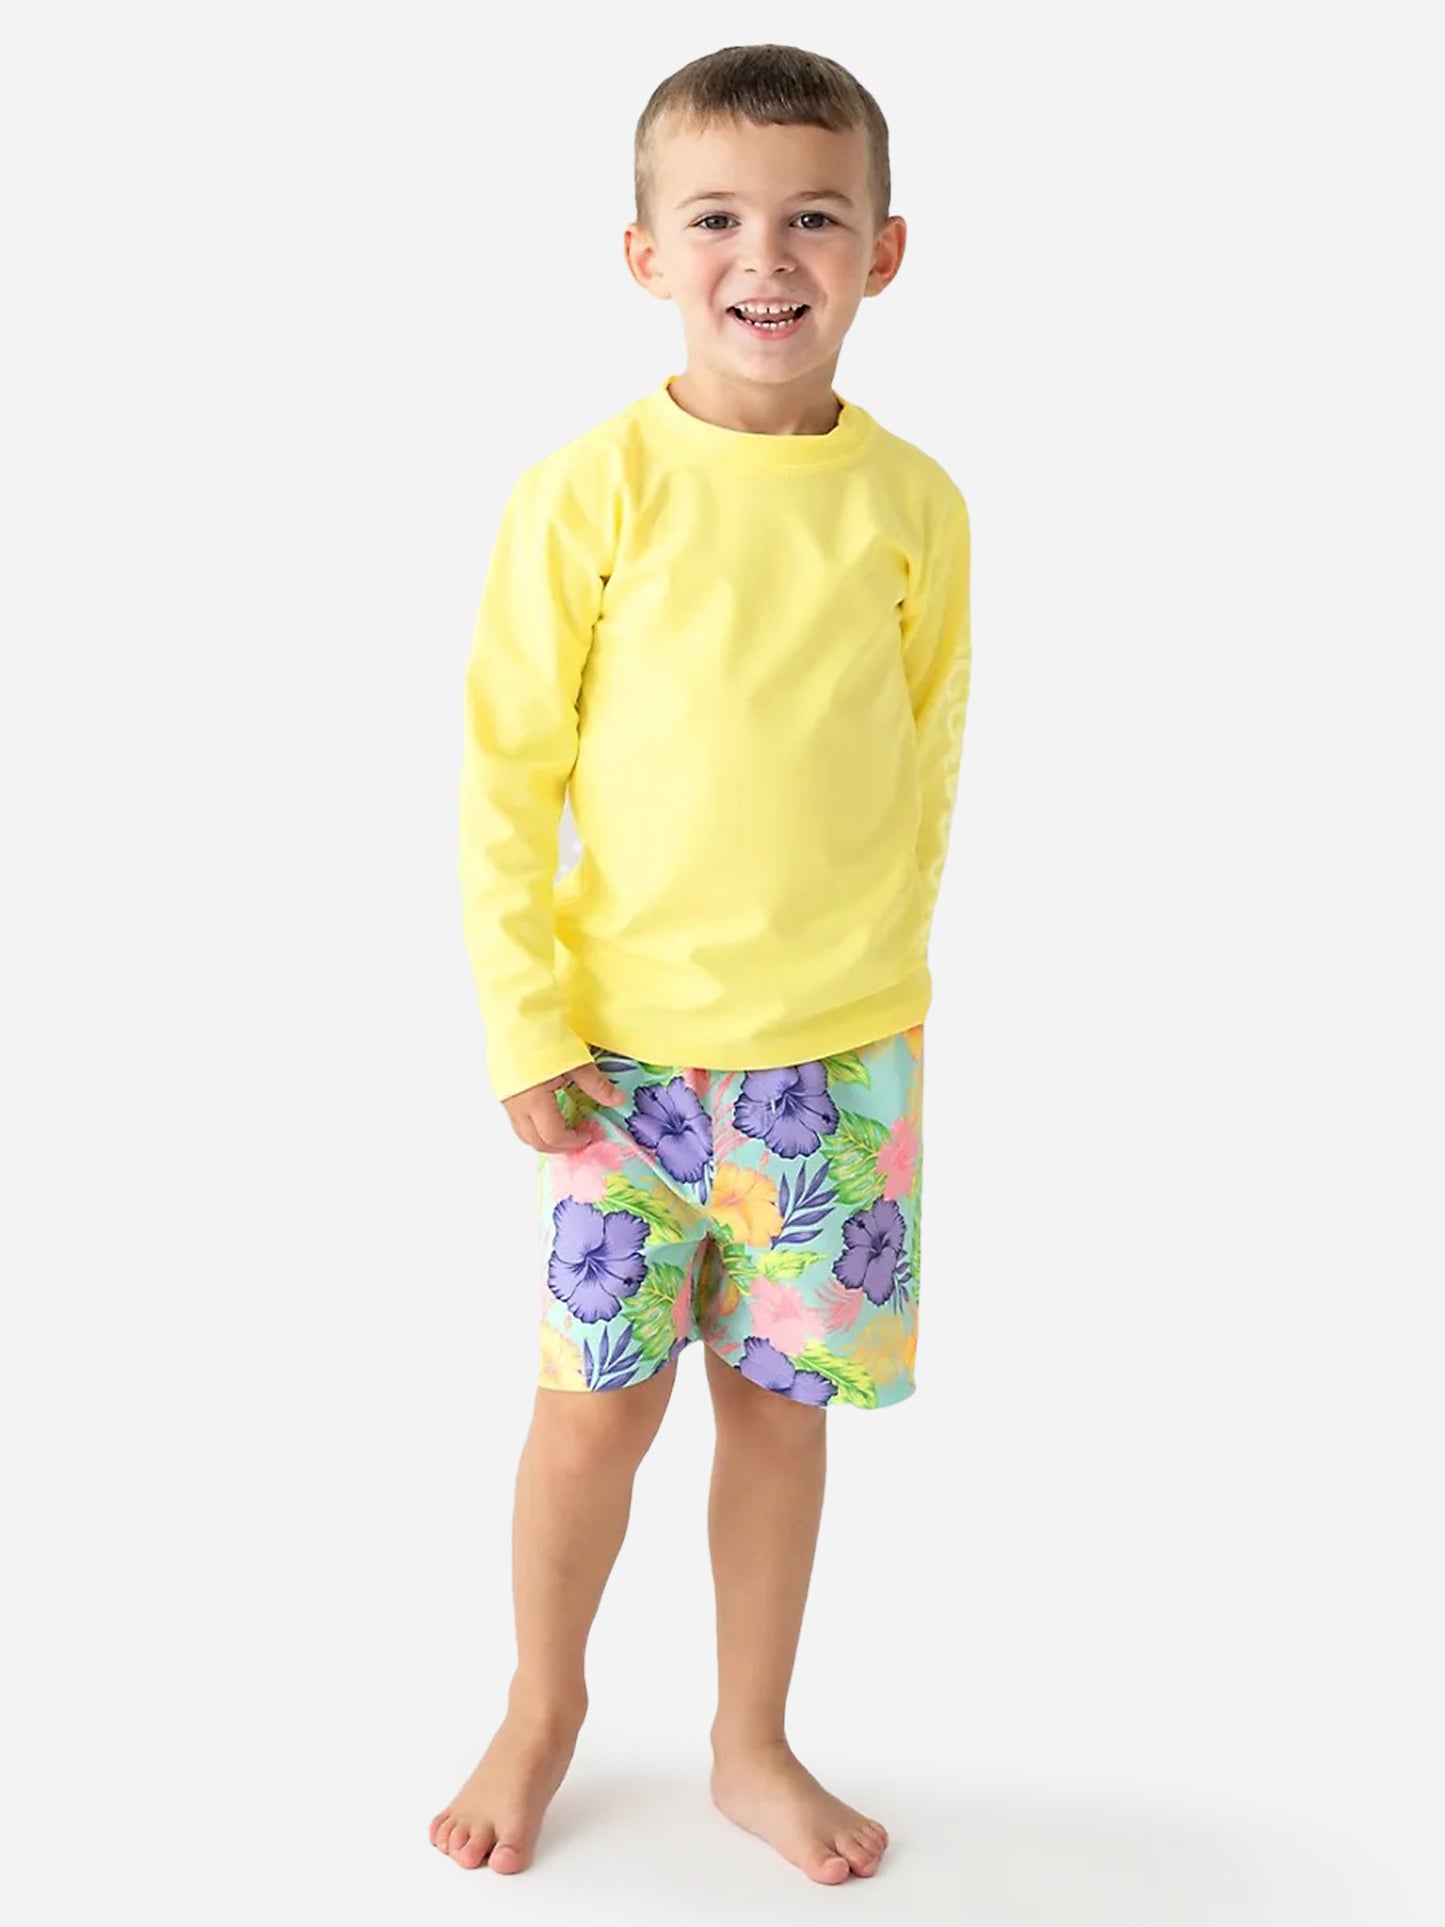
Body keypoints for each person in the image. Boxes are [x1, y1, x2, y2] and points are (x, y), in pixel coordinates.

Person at [434, 41, 973, 1885]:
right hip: (622, 1067)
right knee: (593, 1414)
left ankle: (752, 1740)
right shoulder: (588, 493)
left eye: (813, 218)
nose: (767, 256)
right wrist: (522, 1020)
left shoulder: (915, 504)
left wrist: (884, 987)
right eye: (719, 219)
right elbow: (503, 775)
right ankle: (542, 1704)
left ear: (880, 251)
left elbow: (924, 751)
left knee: (778, 1413)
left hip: (840, 1061)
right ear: (645, 254)